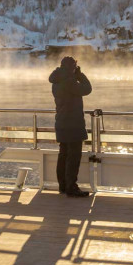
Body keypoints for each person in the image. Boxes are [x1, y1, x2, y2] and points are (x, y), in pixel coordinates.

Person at [49, 56, 92, 197]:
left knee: (63, 155)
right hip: (72, 124)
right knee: (73, 158)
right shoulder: (69, 81)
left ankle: (63, 186)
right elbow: (87, 89)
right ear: (71, 67)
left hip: (62, 122)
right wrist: (80, 75)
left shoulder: (57, 80)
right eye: (75, 66)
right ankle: (71, 187)